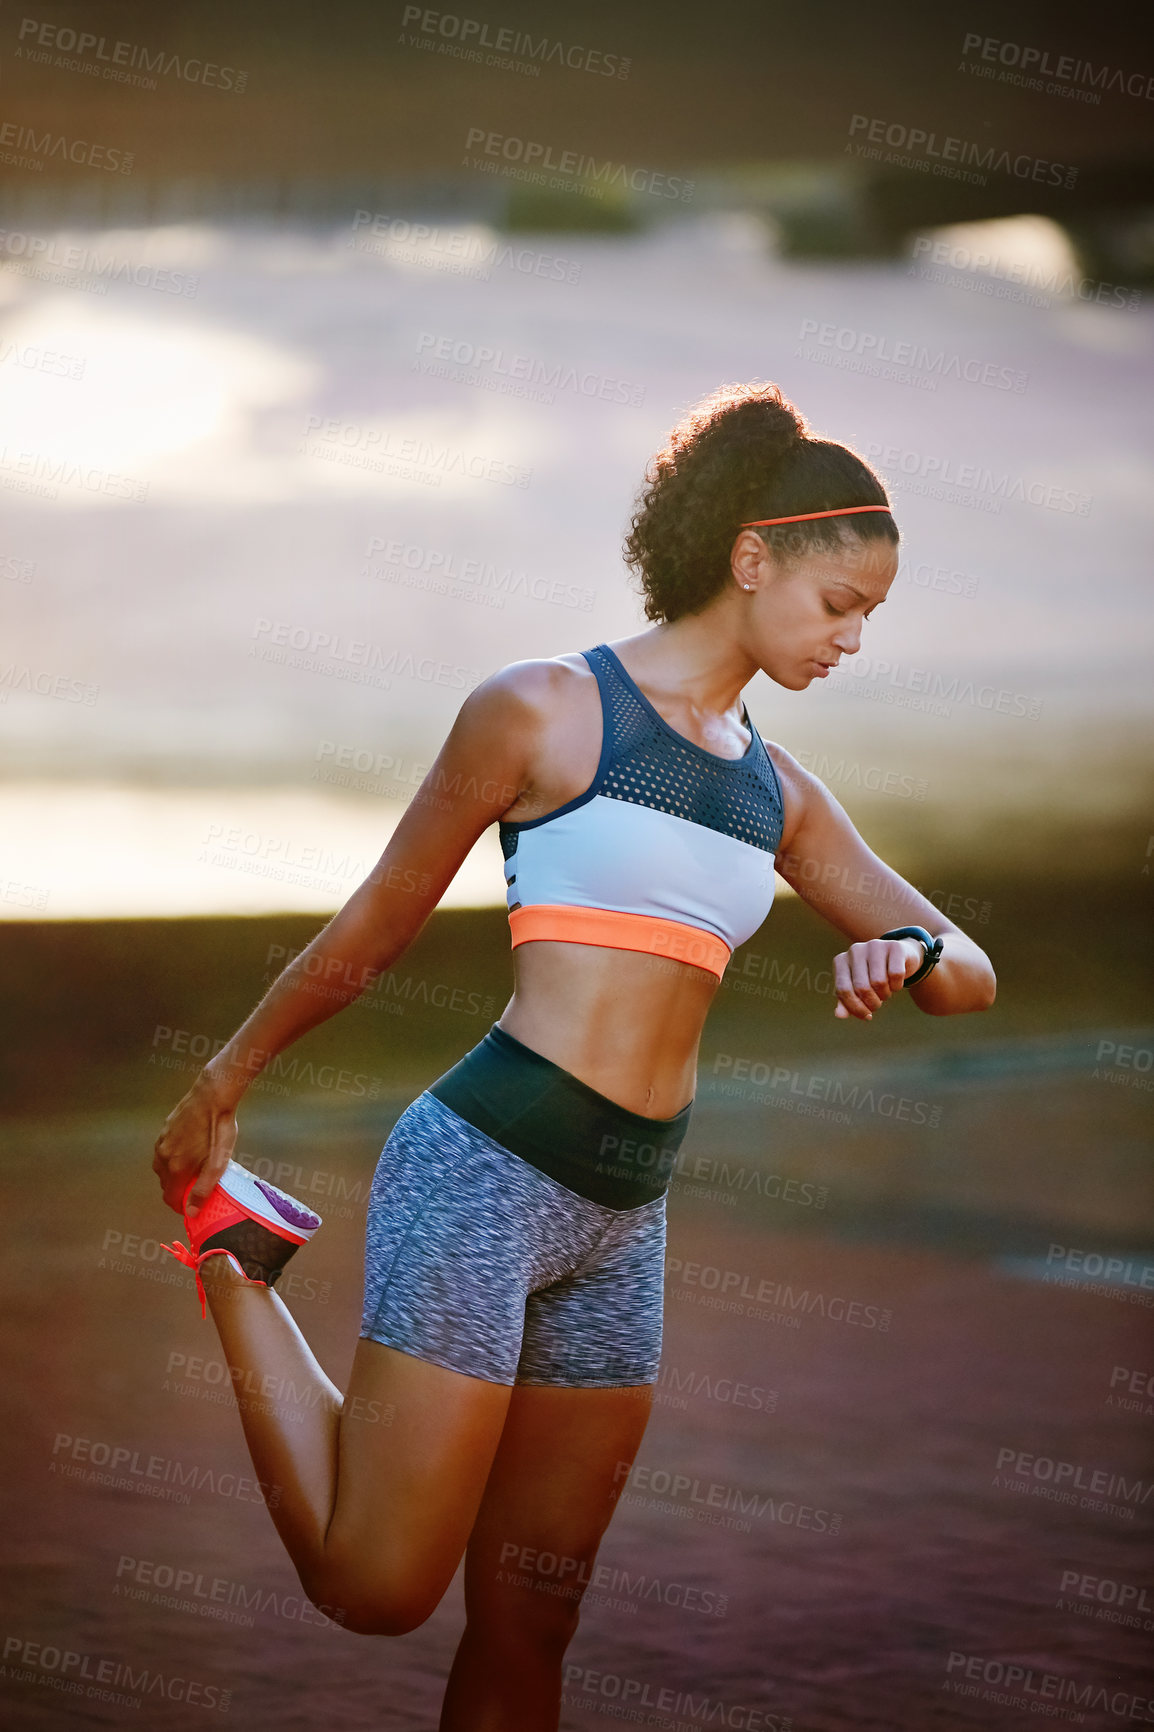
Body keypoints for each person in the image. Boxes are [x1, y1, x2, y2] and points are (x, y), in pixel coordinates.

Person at [152, 380, 996, 1730]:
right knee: (377, 1588)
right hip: (483, 1171)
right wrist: (225, 1077)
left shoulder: (777, 793)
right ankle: (239, 1267)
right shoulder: (543, 711)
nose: (851, 642)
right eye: (840, 606)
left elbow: (966, 967)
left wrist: (904, 954)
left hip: (624, 1217)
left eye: (870, 622)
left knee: (535, 1611)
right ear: (750, 556)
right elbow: (377, 918)